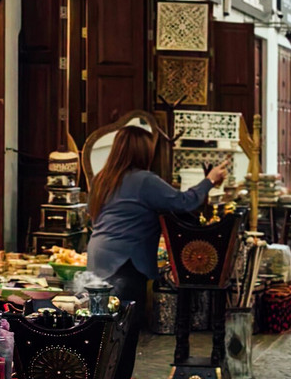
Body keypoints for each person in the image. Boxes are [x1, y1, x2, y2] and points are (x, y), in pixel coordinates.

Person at [87, 126, 226, 379]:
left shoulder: (102, 177)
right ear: (142, 152)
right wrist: (210, 180)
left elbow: (93, 213)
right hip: (125, 263)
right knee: (124, 334)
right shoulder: (143, 180)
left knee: (101, 331)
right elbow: (184, 201)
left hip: (99, 257)